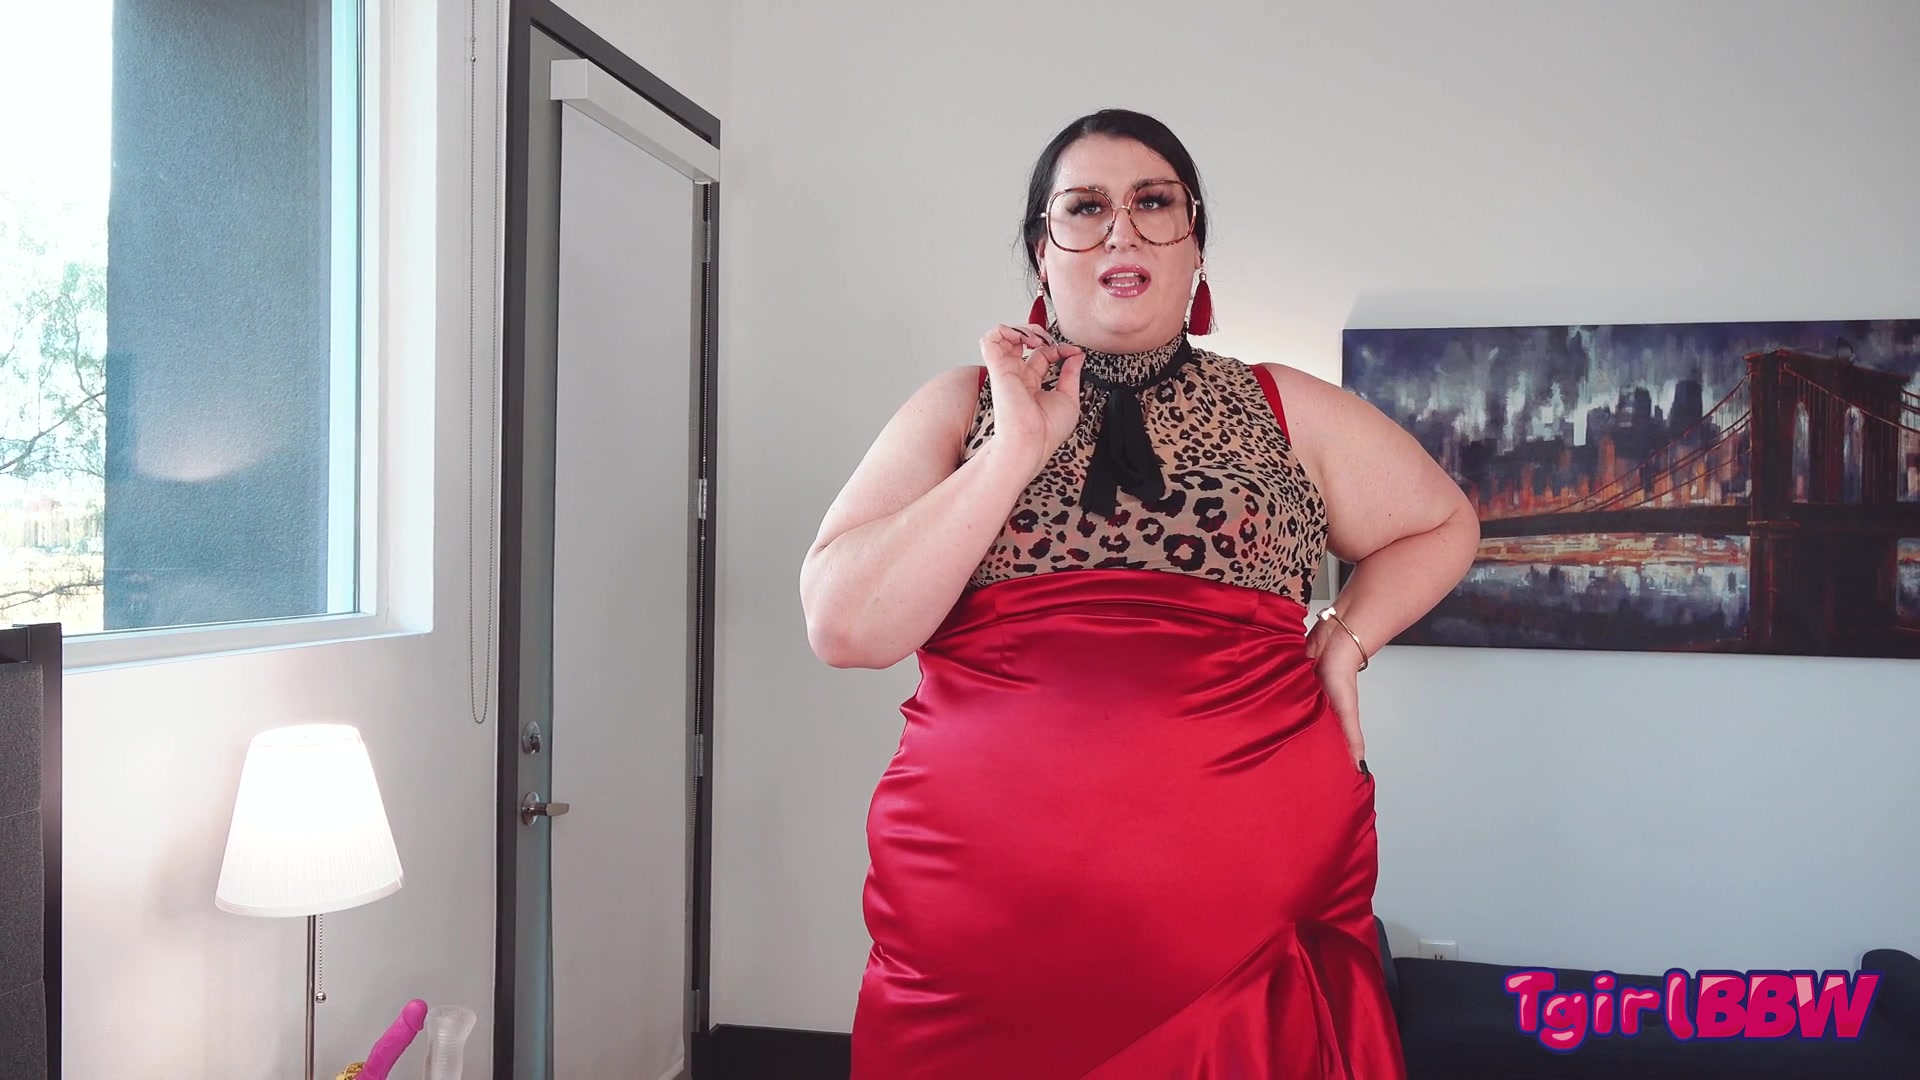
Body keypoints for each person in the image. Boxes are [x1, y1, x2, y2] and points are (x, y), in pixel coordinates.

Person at [800, 108, 1479, 1078]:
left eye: (1154, 203)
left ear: (1195, 245)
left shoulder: (1281, 406)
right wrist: (1014, 449)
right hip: (981, 931)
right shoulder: (961, 406)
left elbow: (1444, 523)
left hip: (1249, 930)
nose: (1121, 230)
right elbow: (844, 627)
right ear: (1042, 253)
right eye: (1085, 208)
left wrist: (1345, 638)